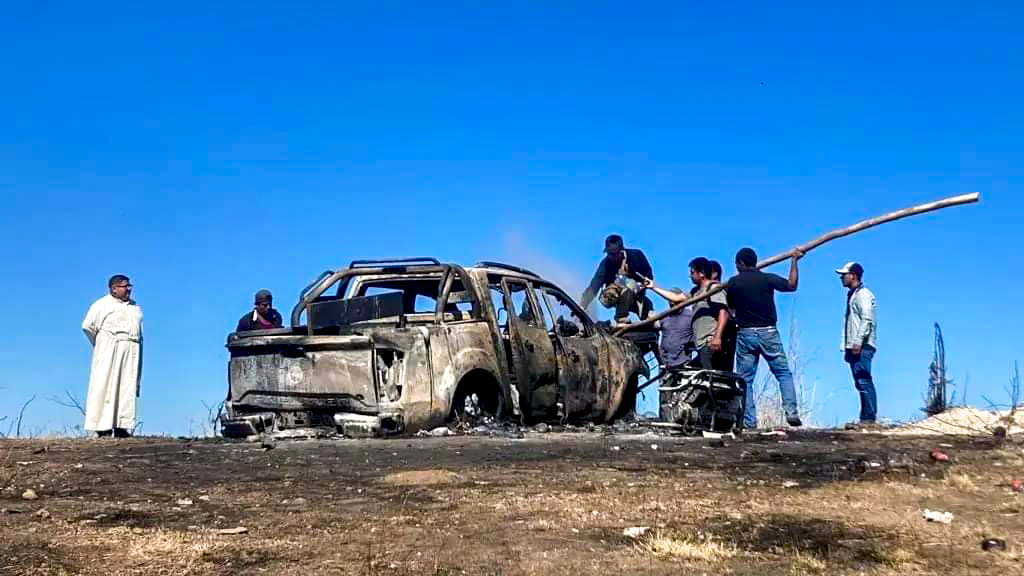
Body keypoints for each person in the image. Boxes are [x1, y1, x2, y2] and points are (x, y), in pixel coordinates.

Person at [726, 247, 803, 428]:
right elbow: (792, 285)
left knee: (745, 380)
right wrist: (794, 261)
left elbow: (731, 309)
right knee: (783, 373)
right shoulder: (767, 279)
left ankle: (749, 422)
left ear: (740, 264)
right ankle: (791, 412)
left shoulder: (733, 283)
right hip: (768, 333)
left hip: (745, 333)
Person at [81, 275, 143, 438]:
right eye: (124, 286)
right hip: (110, 348)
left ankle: (122, 425)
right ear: (114, 288)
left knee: (126, 386)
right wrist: (103, 343)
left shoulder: (134, 307)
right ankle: (103, 427)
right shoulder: (101, 304)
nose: (128, 289)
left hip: (131, 348)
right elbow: (88, 326)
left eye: (129, 286)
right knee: (104, 385)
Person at [647, 258, 730, 370]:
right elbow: (676, 298)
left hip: (710, 342)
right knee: (692, 374)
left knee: (709, 379)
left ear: (701, 273)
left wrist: (717, 337)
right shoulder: (695, 292)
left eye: (692, 273)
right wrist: (654, 287)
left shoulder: (713, 288)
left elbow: (723, 312)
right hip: (701, 345)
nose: (690, 276)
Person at [580, 234, 655, 325]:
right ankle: (621, 318)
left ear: (621, 251)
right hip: (614, 294)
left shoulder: (636, 256)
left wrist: (641, 286)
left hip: (637, 293)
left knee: (653, 320)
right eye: (609, 254)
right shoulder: (605, 264)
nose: (611, 257)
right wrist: (582, 305)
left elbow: (649, 276)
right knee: (626, 287)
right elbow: (594, 286)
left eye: (613, 254)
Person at [837, 261, 878, 424]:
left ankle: (868, 418)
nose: (841, 278)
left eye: (844, 275)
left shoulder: (863, 295)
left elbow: (867, 319)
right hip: (855, 345)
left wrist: (858, 342)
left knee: (863, 380)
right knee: (860, 381)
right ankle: (866, 416)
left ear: (853, 275)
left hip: (862, 345)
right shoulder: (853, 295)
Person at [709, 259, 737, 371]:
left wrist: (718, 336)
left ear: (715, 274)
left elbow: (725, 312)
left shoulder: (719, 290)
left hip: (725, 335)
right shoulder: (704, 292)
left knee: (722, 370)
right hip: (716, 336)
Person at [656, 287, 694, 369]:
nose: (671, 302)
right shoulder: (664, 316)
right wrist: (658, 347)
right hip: (665, 362)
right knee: (665, 381)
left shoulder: (691, 316)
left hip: (684, 362)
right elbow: (654, 331)